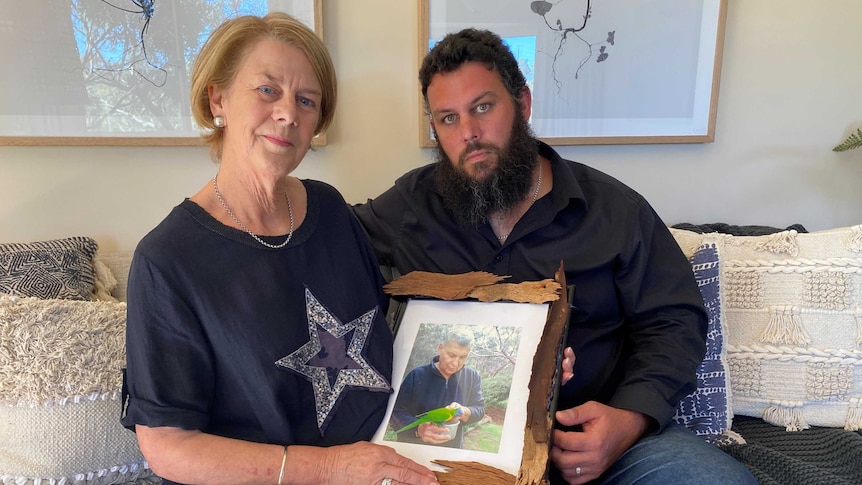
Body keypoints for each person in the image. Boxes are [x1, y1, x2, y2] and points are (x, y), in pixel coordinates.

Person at [352, 28, 757, 484]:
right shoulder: (412, 204)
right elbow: (320, 243)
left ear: (522, 104)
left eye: (483, 107)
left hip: (596, 444)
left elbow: (675, 321)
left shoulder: (614, 211)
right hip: (453, 456)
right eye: (448, 118)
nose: (468, 133)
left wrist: (629, 420)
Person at [120, 13, 439, 485]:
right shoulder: (167, 260)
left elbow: (388, 333)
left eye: (306, 100)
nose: (289, 113)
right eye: (268, 90)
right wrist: (331, 469)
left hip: (392, 464)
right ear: (218, 98)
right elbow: (168, 446)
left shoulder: (330, 210)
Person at [389, 329, 485, 448]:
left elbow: (479, 409)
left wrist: (464, 411)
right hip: (414, 448)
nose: (455, 363)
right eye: (451, 355)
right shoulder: (416, 375)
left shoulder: (472, 377)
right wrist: (418, 428)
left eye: (463, 357)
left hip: (452, 451)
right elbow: (396, 412)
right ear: (440, 348)